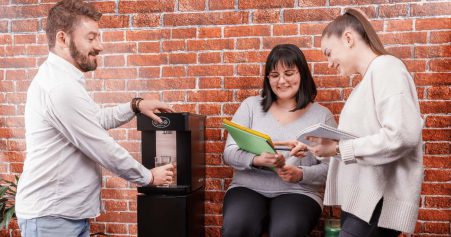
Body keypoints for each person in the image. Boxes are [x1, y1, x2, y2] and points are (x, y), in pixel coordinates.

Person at [15, 1, 175, 236]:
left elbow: (94, 119)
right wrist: (148, 177)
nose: (99, 46)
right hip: (51, 219)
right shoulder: (60, 88)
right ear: (62, 38)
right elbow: (101, 146)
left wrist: (135, 105)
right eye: (91, 38)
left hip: (63, 217)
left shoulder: (64, 81)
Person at [281, 9, 423, 237]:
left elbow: (401, 136)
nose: (328, 63)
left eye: (328, 53)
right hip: (365, 202)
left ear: (348, 38)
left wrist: (337, 148)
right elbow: (360, 142)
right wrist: (317, 148)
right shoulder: (368, 81)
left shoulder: (387, 68)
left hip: (376, 203)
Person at [222, 44, 336, 237]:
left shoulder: (322, 116)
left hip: (299, 192)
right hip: (247, 187)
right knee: (236, 226)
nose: (281, 81)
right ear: (268, 79)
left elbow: (331, 169)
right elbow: (229, 153)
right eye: (274, 75)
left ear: (302, 74)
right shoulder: (250, 106)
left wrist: (300, 174)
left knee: (287, 231)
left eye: (289, 73)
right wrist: (257, 160)